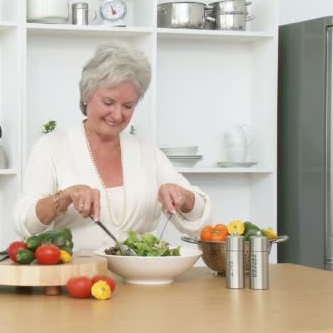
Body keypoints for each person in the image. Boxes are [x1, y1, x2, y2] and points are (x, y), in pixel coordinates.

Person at [14, 42, 211, 253]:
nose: (117, 115)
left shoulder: (147, 152)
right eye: (108, 102)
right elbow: (24, 223)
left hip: (141, 278)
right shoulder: (51, 148)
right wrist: (63, 198)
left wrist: (184, 197)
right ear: (86, 95)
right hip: (75, 277)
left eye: (128, 106)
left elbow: (200, 219)